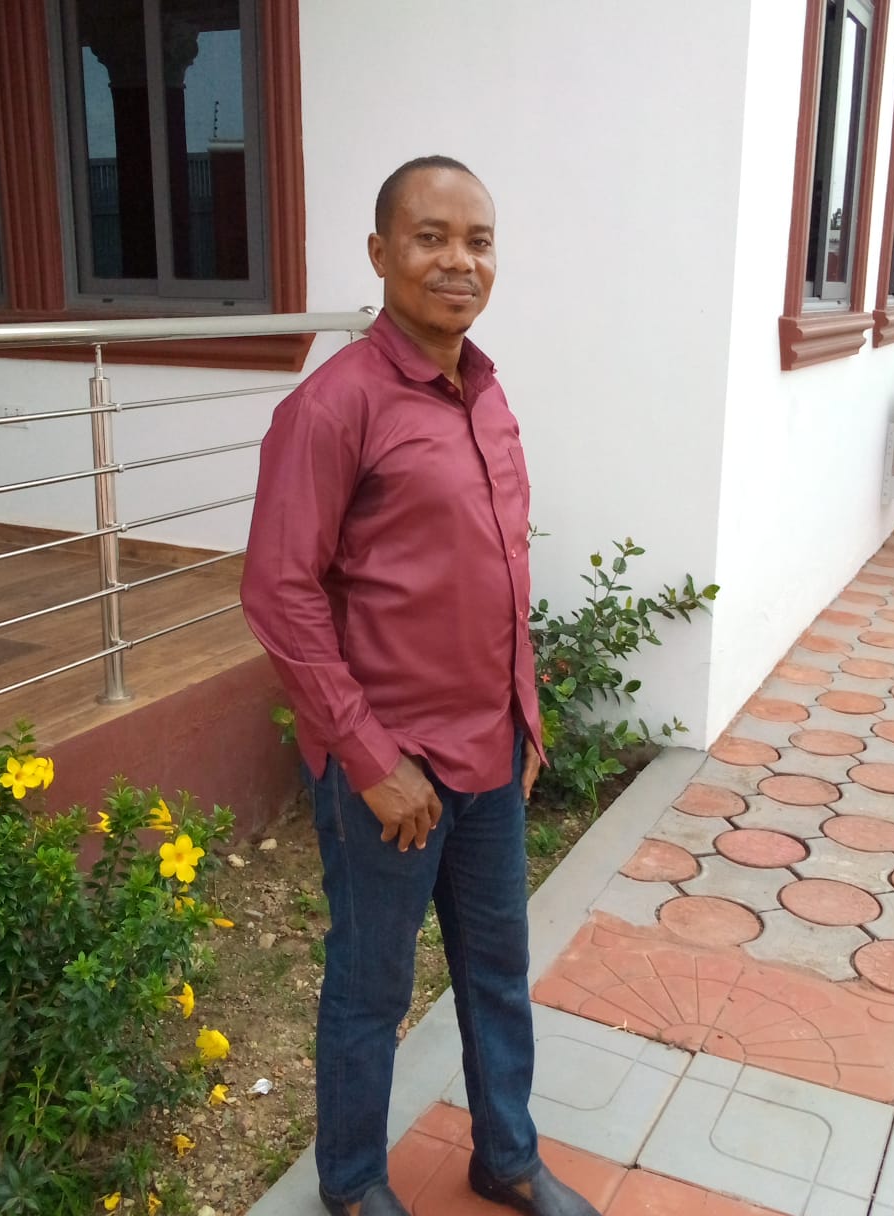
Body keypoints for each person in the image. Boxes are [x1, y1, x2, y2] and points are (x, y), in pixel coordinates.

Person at [240, 156, 599, 1216]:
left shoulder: (485, 392)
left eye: (477, 241)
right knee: (371, 986)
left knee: (496, 970)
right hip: (390, 770)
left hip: (489, 752)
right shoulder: (331, 406)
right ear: (380, 252)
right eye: (431, 237)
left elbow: (499, 570)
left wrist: (525, 715)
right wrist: (368, 757)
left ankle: (507, 1156)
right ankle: (353, 1182)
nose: (458, 261)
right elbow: (279, 592)